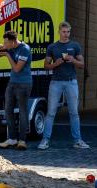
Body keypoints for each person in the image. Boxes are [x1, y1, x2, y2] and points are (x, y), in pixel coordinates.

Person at [38, 21, 89, 150]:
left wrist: (74, 60)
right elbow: (46, 65)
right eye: (64, 32)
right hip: (56, 82)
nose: (66, 34)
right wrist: (56, 63)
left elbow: (82, 65)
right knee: (50, 113)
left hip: (71, 82)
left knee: (74, 113)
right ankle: (45, 140)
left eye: (68, 32)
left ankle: (78, 141)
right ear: (59, 32)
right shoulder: (52, 47)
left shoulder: (75, 45)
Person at [0, 30, 33, 150]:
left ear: (13, 42)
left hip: (24, 84)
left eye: (6, 43)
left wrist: (7, 54)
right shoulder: (10, 47)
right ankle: (12, 139)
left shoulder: (25, 49)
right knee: (8, 110)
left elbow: (17, 68)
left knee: (22, 112)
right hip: (12, 83)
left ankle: (22, 140)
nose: (4, 44)